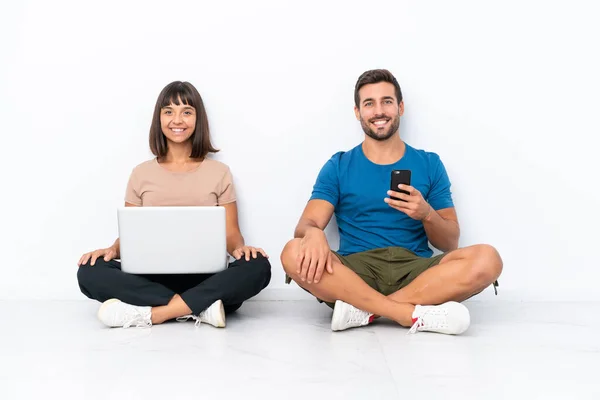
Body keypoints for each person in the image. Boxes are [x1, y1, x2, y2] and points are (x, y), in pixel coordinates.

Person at [280, 69, 502, 335]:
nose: (379, 111)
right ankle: (405, 313)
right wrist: (314, 233)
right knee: (292, 251)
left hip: (416, 271)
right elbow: (307, 223)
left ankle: (364, 310)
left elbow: (450, 243)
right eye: (369, 103)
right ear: (357, 112)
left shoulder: (429, 163)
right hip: (355, 272)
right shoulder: (339, 165)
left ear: (400, 107)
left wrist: (426, 213)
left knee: (488, 258)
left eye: (386, 101)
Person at [77, 81, 271, 329]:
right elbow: (131, 234)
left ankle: (155, 313)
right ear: (158, 118)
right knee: (89, 271)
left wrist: (241, 250)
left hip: (204, 277)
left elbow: (231, 233)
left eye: (186, 112)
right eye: (168, 111)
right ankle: (201, 307)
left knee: (258, 267)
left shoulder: (219, 172)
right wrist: (112, 250)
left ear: (197, 119)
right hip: (151, 277)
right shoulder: (140, 173)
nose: (177, 120)